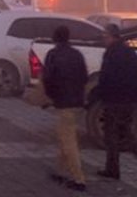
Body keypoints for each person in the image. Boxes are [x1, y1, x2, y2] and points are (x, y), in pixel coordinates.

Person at [89, 23, 137, 185]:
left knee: (111, 135)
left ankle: (113, 169)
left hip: (114, 99)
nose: (104, 39)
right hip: (129, 98)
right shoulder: (129, 52)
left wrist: (102, 95)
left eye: (105, 36)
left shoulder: (111, 53)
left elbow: (106, 77)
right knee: (124, 132)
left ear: (111, 36)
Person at [43, 25, 89, 192]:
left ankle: (79, 180)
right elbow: (85, 77)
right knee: (65, 136)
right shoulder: (77, 54)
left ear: (55, 38)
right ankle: (59, 172)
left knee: (69, 142)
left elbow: (48, 79)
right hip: (77, 103)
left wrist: (51, 97)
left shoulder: (53, 55)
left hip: (64, 104)